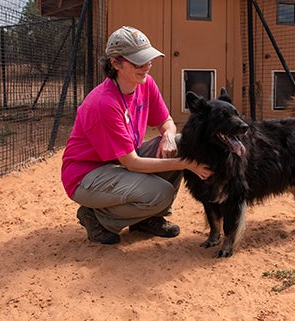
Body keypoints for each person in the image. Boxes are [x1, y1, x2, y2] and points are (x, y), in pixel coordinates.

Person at [61, 26, 212, 244]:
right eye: (138, 62)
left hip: (119, 162)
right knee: (160, 193)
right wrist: (186, 164)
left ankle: (147, 218)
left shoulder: (145, 83)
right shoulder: (104, 103)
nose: (146, 67)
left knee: (179, 142)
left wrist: (169, 136)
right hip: (86, 174)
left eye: (148, 60)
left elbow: (166, 121)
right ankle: (97, 217)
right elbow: (132, 163)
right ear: (115, 63)